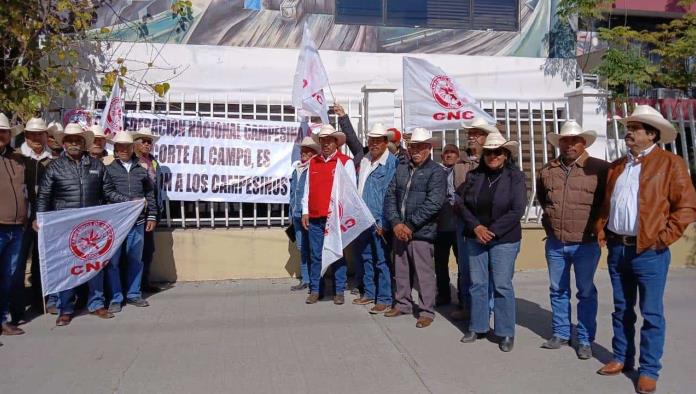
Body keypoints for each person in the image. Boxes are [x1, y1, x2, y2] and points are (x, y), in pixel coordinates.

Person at [595, 105, 696, 394]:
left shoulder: (670, 164)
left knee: (651, 313)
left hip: (650, 251)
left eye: (636, 128)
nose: (629, 132)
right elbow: (607, 203)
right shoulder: (618, 165)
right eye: (629, 126)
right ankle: (622, 357)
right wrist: (603, 230)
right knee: (622, 309)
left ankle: (649, 369)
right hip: (618, 248)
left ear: (651, 134)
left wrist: (663, 238)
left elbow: (686, 207)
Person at [35, 123, 130, 326]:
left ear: (84, 143)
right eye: (70, 140)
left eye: (78, 140)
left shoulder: (96, 166)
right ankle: (65, 309)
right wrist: (39, 218)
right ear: (64, 143)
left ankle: (96, 304)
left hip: (91, 228)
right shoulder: (54, 167)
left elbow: (109, 192)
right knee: (67, 268)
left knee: (95, 265)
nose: (74, 143)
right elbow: (44, 196)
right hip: (65, 228)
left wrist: (130, 201)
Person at [536, 120, 609, 359]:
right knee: (557, 290)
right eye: (564, 140)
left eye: (574, 140)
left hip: (586, 243)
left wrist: (601, 229)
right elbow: (544, 201)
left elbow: (608, 204)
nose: (569, 144)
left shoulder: (600, 169)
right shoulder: (547, 170)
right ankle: (561, 333)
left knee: (585, 291)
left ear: (584, 143)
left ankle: (586, 339)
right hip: (556, 242)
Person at [458, 132, 526, 352]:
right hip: (475, 236)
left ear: (505, 154)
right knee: (477, 284)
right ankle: (477, 327)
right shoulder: (474, 176)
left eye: (498, 152)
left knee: (502, 284)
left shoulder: (515, 177)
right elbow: (462, 204)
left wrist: (492, 232)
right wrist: (476, 227)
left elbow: (517, 210)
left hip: (504, 239)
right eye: (489, 152)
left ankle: (505, 332)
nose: (493, 156)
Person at [383, 127, 446, 328]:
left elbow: (434, 203)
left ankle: (427, 310)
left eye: (420, 147)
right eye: (413, 147)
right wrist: (396, 223)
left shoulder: (436, 172)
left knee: (423, 273)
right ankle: (403, 304)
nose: (416, 151)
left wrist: (409, 225)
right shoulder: (402, 168)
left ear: (429, 148)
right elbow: (390, 196)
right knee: (401, 269)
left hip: (421, 232)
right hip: (400, 229)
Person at [301, 124, 356, 305]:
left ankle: (339, 290)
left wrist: (344, 215)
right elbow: (307, 189)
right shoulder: (313, 162)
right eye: (322, 141)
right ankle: (316, 290)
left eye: (328, 141)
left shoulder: (345, 162)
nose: (325, 144)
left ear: (336, 142)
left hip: (335, 218)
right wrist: (305, 211)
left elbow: (350, 192)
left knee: (336, 253)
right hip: (316, 216)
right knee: (316, 254)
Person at [104, 131, 157, 313]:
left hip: (138, 222)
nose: (123, 150)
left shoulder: (141, 170)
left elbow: (150, 194)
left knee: (136, 259)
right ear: (115, 149)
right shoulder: (109, 170)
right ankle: (116, 297)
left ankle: (133, 294)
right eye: (120, 146)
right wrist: (128, 200)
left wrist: (151, 215)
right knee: (114, 262)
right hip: (116, 224)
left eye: (126, 146)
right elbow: (107, 192)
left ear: (132, 148)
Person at [451, 118, 497, 320]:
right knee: (465, 267)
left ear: (486, 138)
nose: (471, 137)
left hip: (488, 222)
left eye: (475, 134)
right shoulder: (459, 163)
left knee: (490, 269)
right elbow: (454, 193)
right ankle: (467, 306)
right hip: (464, 221)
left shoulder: (492, 161)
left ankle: (487, 308)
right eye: (469, 134)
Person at [11, 118, 54, 323]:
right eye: (33, 134)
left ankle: (41, 300)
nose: (37, 138)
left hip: (44, 218)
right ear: (26, 136)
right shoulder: (16, 158)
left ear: (46, 136)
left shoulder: (51, 160)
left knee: (41, 261)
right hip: (20, 219)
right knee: (17, 264)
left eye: (40, 134)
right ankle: (17, 306)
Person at [352, 123, 398, 314]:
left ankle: (385, 298)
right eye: (371, 140)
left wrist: (384, 221)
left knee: (382, 260)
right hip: (363, 218)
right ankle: (369, 292)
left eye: (378, 141)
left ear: (386, 142)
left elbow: (391, 194)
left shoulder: (391, 163)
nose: (374, 144)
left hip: (379, 220)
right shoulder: (365, 160)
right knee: (366, 257)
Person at [0, 113, 28, 339]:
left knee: (7, 275)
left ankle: (2, 319)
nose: (1, 136)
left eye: (4, 132)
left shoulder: (17, 159)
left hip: (17, 227)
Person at [133, 127, 162, 293]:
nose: (146, 144)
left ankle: (144, 282)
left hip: (151, 212)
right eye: (143, 141)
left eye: (149, 142)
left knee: (148, 250)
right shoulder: (132, 162)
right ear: (135, 143)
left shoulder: (153, 161)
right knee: (133, 251)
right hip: (135, 213)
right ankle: (132, 287)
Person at [288, 136, 320, 291]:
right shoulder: (297, 170)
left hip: (309, 215)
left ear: (314, 153)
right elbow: (292, 193)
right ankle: (305, 279)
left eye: (307, 152)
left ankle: (315, 280)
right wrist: (290, 214)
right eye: (303, 151)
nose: (304, 154)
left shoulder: (314, 169)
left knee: (313, 248)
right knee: (302, 248)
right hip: (296, 215)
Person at [434, 143, 461, 306]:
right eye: (446, 153)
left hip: (459, 226)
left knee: (462, 265)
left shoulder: (463, 172)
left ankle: (463, 297)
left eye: (453, 153)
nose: (449, 155)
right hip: (441, 225)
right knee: (440, 264)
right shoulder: (437, 172)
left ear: (458, 156)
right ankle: (443, 294)